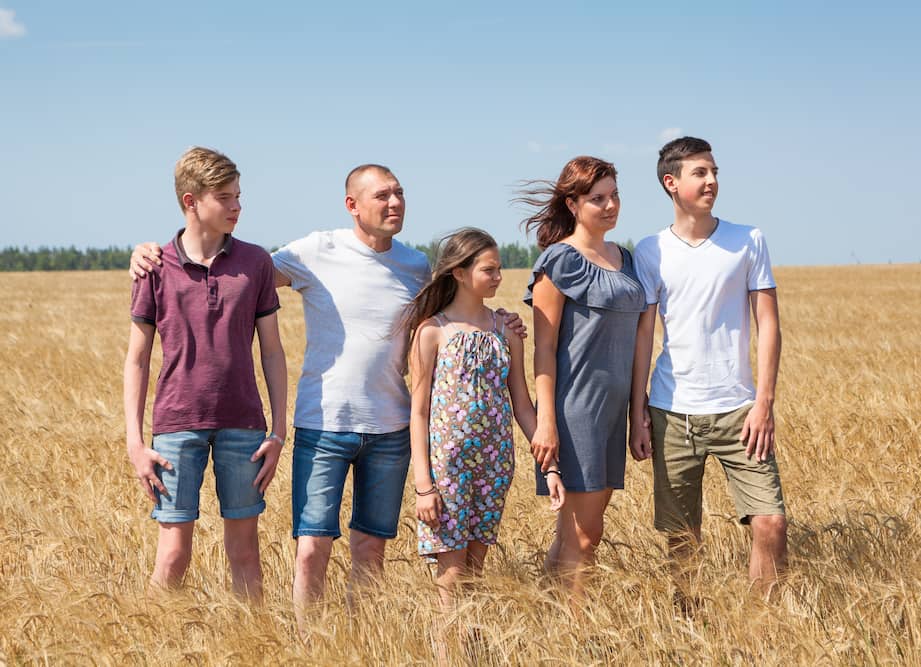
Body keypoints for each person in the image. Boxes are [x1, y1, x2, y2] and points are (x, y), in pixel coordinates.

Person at [130, 164, 525, 626]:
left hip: (391, 428)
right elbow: (236, 267)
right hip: (323, 424)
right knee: (311, 549)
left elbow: (460, 301)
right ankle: (307, 643)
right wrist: (148, 252)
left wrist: (500, 320)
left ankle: (359, 642)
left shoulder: (417, 266)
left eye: (399, 193)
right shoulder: (316, 250)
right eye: (383, 195)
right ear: (351, 205)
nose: (395, 203)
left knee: (370, 551)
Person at [123, 146, 287, 602]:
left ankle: (253, 638)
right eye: (225, 197)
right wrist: (135, 442)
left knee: (246, 553)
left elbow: (273, 352)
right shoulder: (155, 266)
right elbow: (137, 359)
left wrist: (279, 430)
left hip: (244, 425)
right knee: (173, 555)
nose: (237, 206)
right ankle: (154, 636)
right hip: (176, 425)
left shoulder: (255, 262)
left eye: (239, 196)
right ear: (191, 201)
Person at [629, 136, 787, 596]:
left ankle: (762, 624)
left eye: (714, 171)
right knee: (682, 536)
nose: (712, 181)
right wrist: (637, 410)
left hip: (741, 410)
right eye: (700, 173)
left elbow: (768, 323)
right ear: (671, 182)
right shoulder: (650, 250)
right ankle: (690, 622)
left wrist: (764, 403)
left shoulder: (748, 240)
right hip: (671, 410)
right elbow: (644, 334)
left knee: (771, 523)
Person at [402, 228, 564, 612]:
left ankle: (472, 640)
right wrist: (423, 485)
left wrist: (550, 467)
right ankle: (446, 643)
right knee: (451, 573)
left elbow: (522, 404)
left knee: (475, 570)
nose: (498, 277)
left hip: (494, 466)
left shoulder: (506, 331)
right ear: (460, 273)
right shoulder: (432, 331)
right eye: (489, 270)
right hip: (448, 468)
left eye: (499, 269)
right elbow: (418, 412)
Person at [518, 156, 648, 599]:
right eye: (597, 198)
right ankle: (578, 629)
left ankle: (545, 614)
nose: (610, 206)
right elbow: (544, 349)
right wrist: (546, 423)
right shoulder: (559, 261)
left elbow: (639, 343)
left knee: (576, 533)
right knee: (586, 534)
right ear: (572, 204)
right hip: (576, 412)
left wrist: (637, 414)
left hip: (613, 412)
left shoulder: (626, 259)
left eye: (614, 195)